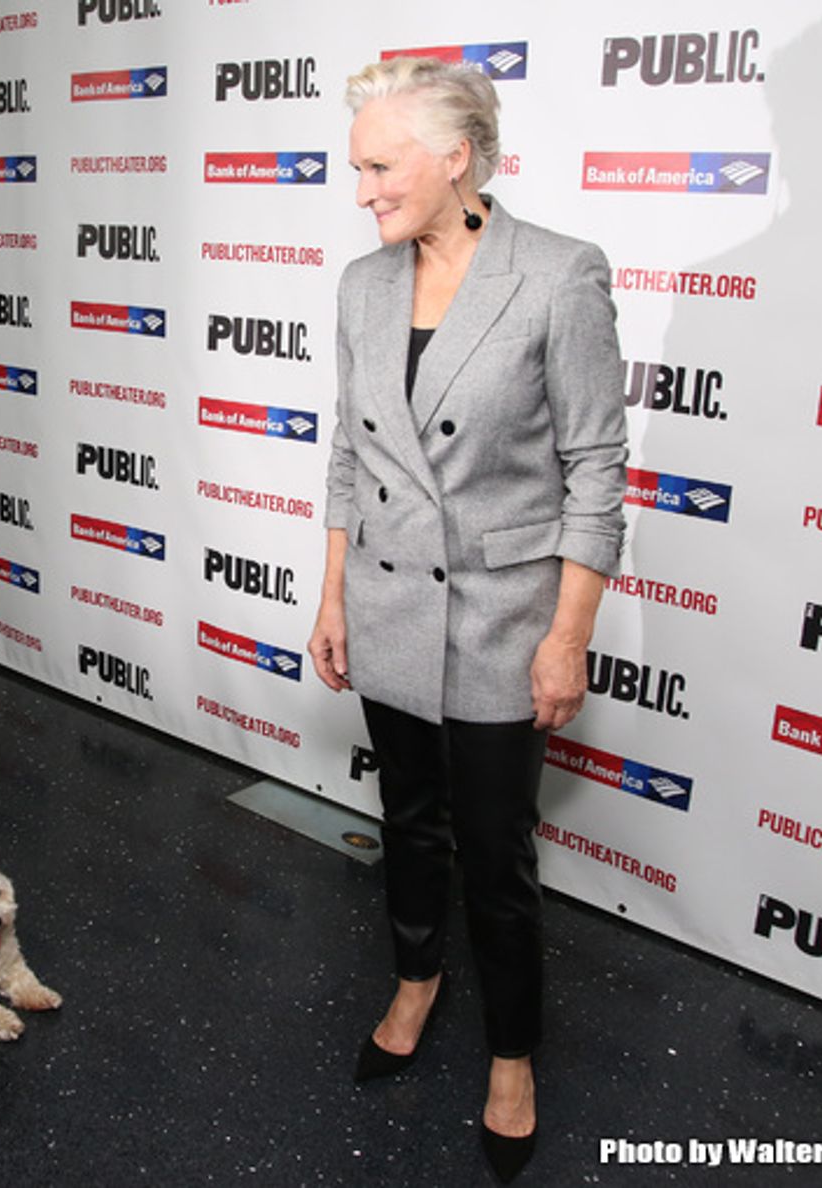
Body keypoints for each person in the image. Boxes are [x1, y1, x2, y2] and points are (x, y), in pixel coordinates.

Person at [307, 57, 628, 1182]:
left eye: (380, 166)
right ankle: (413, 979)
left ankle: (511, 1053)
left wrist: (565, 633)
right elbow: (349, 452)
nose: (363, 192)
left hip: (502, 616)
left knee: (496, 852)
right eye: (356, 168)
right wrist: (335, 593)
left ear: (456, 157)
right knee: (408, 819)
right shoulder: (360, 285)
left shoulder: (556, 275)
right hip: (389, 603)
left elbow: (595, 471)